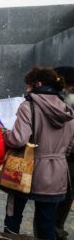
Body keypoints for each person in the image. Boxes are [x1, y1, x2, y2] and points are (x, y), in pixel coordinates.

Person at [2, 66, 74, 240]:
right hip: (57, 174)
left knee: (13, 221)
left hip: (25, 170)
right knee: (46, 225)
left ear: (38, 84)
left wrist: (3, 132)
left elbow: (17, 140)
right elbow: (70, 146)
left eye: (29, 85)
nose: (27, 89)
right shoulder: (67, 110)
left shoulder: (28, 106)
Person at [54, 66, 74, 240]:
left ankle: (55, 230)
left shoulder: (67, 101)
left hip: (67, 158)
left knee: (63, 195)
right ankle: (56, 228)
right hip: (66, 157)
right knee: (66, 195)